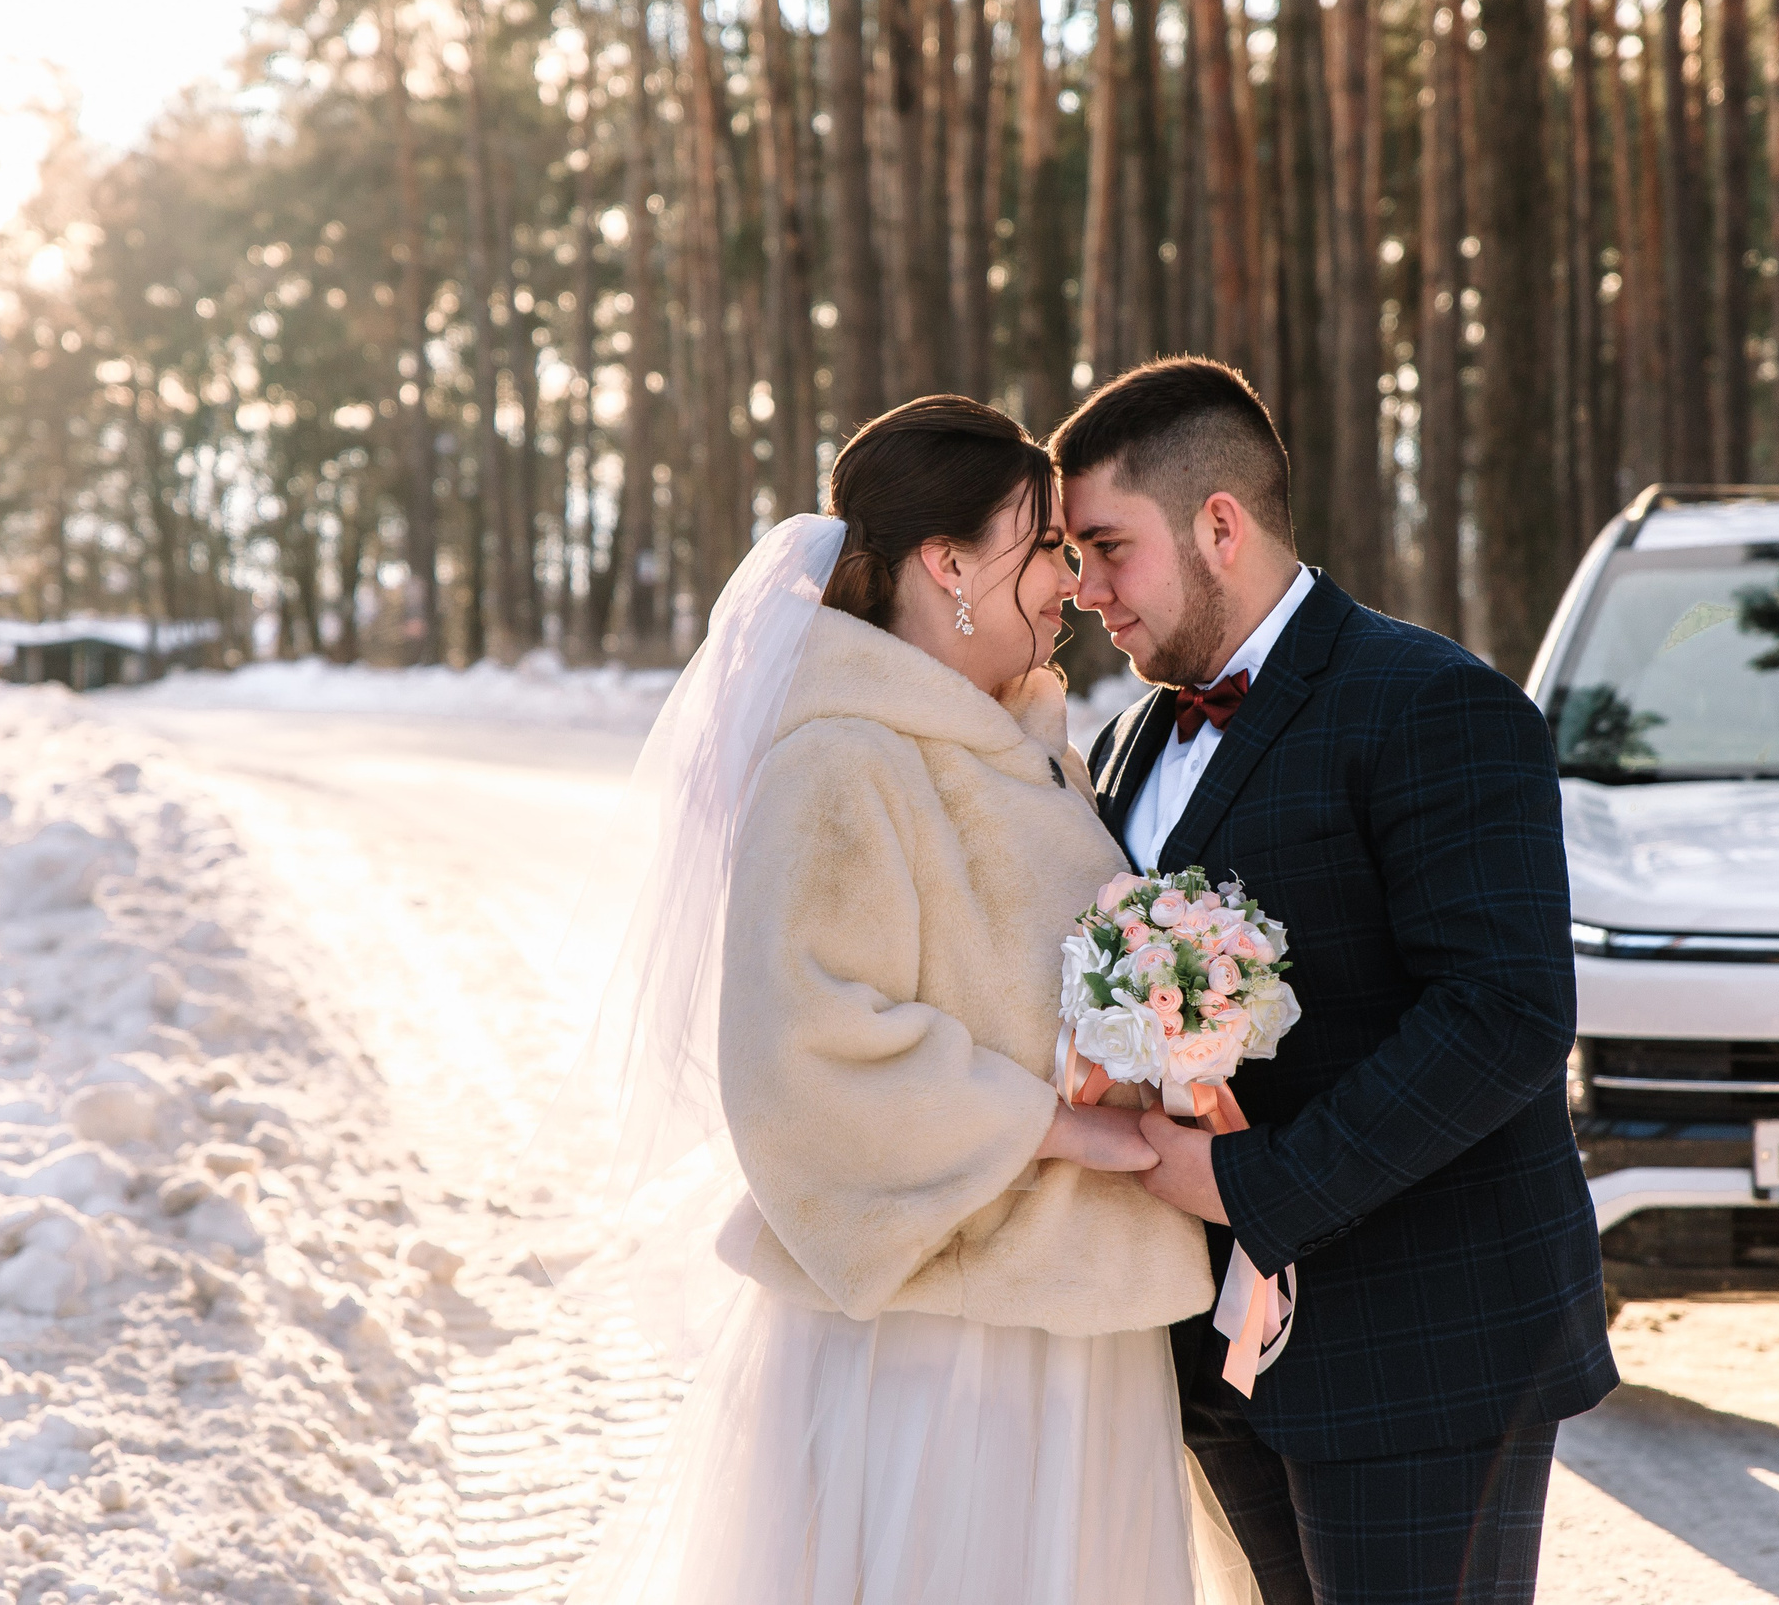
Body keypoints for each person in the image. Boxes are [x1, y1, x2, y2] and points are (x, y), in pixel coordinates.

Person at [560, 394, 1241, 1605]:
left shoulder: (1021, 745)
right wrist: (1062, 1125)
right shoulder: (843, 754)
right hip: (954, 1351)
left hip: (1075, 1329)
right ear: (948, 564)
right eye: (1042, 549)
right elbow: (806, 1053)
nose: (1070, 586)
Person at [1052, 357, 1618, 1605]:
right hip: (1211, 1355)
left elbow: (1506, 1014)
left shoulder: (1435, 705)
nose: (1084, 591)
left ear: (1219, 524)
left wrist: (1253, 1184)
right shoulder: (1128, 739)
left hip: (1423, 1346)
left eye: (1106, 549)